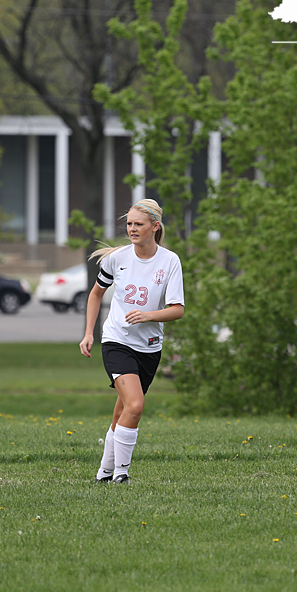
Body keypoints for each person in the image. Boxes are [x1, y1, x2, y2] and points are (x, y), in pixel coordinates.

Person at [79, 199, 184, 484]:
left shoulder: (170, 261)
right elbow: (95, 295)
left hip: (149, 346)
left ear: (155, 226)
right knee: (135, 406)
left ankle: (103, 473)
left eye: (139, 224)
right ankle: (121, 475)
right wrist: (90, 333)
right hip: (116, 340)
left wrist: (148, 315)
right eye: (129, 224)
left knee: (123, 411)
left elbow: (177, 309)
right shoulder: (117, 259)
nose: (132, 229)